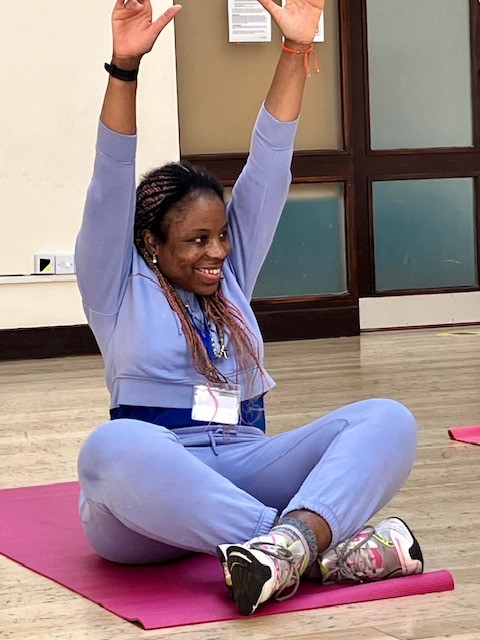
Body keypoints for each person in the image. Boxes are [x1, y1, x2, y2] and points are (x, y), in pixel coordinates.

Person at [76, 0, 423, 617]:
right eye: (197, 241)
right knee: (109, 448)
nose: (218, 253)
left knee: (386, 418)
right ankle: (311, 548)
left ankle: (277, 550)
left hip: (240, 458)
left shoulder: (229, 278)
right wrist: (124, 68)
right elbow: (110, 177)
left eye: (222, 236)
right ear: (151, 244)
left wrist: (295, 51)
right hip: (150, 498)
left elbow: (270, 163)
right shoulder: (118, 284)